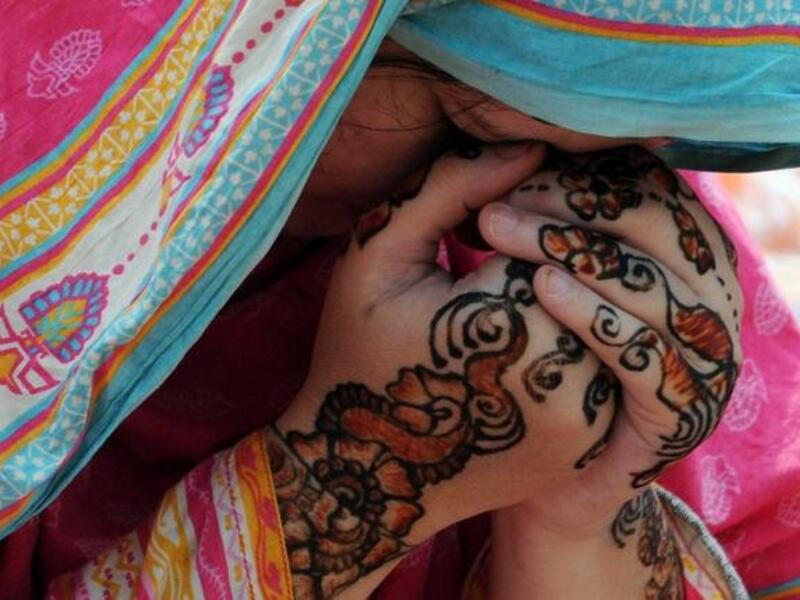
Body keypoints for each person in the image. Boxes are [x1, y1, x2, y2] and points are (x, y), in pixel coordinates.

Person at [0, 1, 798, 598]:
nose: (543, 202)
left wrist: (577, 522)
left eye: (637, 148)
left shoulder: (613, 250)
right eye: (470, 129)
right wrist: (336, 482)